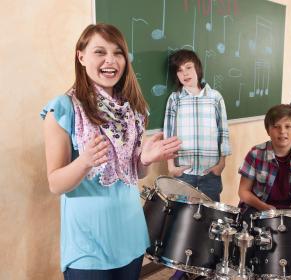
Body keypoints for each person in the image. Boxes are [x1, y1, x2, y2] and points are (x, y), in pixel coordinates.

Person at [40, 23, 181, 280]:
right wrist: (84, 162)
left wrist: (145, 160)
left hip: (131, 236)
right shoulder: (63, 108)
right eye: (99, 52)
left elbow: (134, 173)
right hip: (88, 247)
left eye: (118, 53)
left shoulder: (134, 110)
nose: (110, 60)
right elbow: (55, 184)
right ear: (81, 57)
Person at [163, 49, 231, 202]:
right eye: (179, 70)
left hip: (210, 172)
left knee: (210, 217)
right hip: (184, 172)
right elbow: (168, 134)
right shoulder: (175, 99)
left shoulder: (215, 97)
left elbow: (223, 132)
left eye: (188, 67)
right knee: (183, 217)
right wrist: (171, 167)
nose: (185, 73)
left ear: (197, 69)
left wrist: (221, 164)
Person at [238, 104, 291, 220]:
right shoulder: (255, 154)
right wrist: (264, 207)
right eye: (276, 126)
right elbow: (243, 192)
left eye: (288, 126)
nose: (282, 131)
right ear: (268, 131)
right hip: (258, 208)